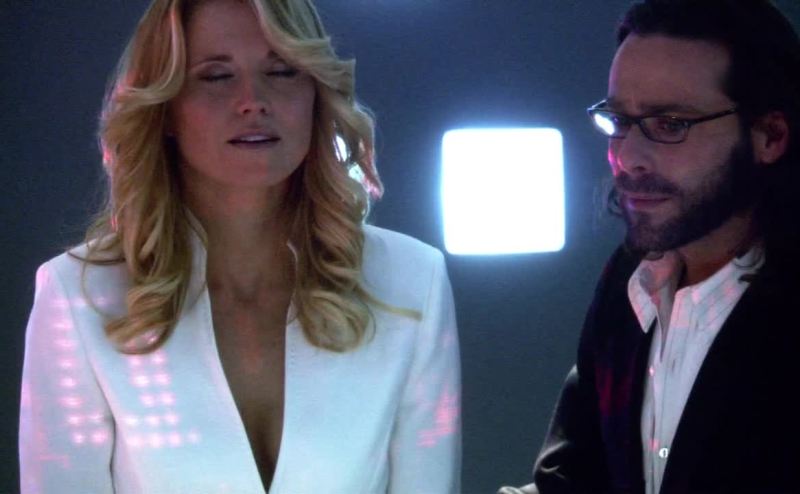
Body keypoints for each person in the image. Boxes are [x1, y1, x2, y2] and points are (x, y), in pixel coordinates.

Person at [18, 0, 461, 492]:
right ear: (165, 108)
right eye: (216, 76)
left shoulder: (412, 283)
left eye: (282, 71)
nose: (253, 100)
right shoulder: (79, 297)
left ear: (316, 93)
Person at [500, 0, 800, 493]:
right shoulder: (630, 281)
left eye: (671, 124)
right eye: (619, 121)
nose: (627, 157)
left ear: (770, 135)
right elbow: (576, 479)